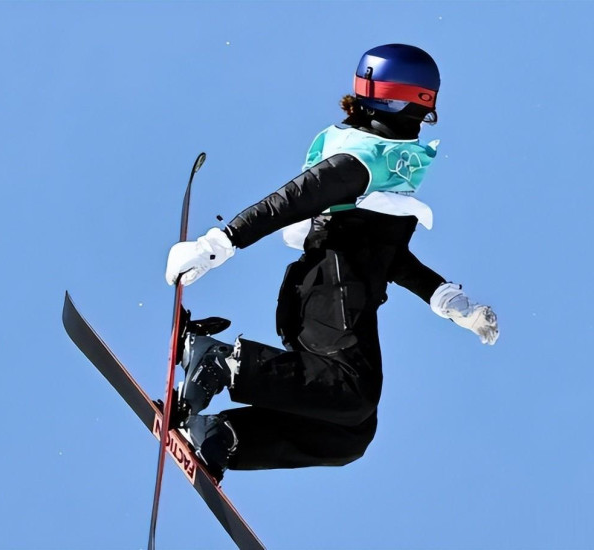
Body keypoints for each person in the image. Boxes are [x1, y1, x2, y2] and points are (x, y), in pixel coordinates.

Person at [165, 44, 499, 480]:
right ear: (400, 101)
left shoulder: (386, 164)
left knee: (350, 432)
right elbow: (292, 200)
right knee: (351, 394)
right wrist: (220, 243)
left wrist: (449, 301)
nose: (423, 121)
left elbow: (387, 253)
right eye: (422, 109)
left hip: (343, 291)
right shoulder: (362, 158)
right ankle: (220, 362)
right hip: (331, 286)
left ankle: (223, 436)